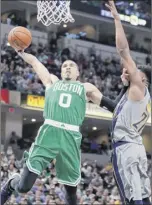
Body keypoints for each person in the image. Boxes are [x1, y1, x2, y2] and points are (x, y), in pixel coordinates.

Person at [1, 47, 129, 205]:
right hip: (49, 133)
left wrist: (124, 86)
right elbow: (34, 61)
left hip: (71, 137)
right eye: (64, 66)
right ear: (61, 72)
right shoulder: (52, 81)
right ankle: (12, 182)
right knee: (23, 187)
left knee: (71, 193)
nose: (67, 67)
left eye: (71, 65)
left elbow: (114, 106)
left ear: (77, 73)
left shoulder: (86, 88)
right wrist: (21, 52)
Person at [106, 1, 151, 204]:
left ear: (143, 80)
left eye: (134, 73)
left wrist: (117, 19)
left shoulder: (138, 88)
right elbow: (115, 105)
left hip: (126, 149)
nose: (129, 71)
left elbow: (123, 50)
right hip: (137, 148)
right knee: (144, 197)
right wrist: (124, 83)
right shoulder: (138, 94)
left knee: (132, 200)